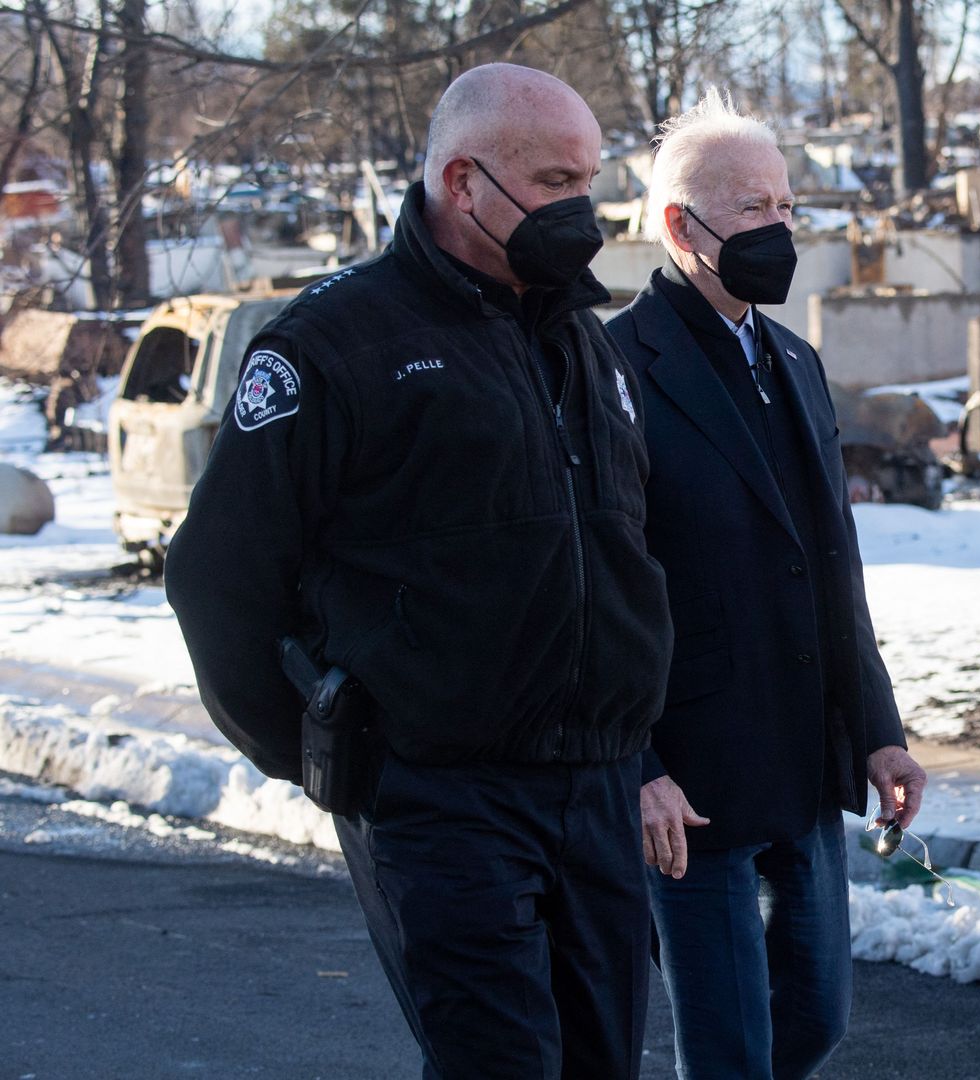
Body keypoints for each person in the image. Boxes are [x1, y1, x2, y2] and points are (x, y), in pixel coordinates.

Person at [165, 64, 672, 1079]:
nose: (583, 206)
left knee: (602, 1062)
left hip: (595, 788)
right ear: (462, 182)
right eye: (555, 179)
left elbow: (621, 553)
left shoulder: (585, 343)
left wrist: (640, 748)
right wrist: (335, 756)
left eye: (589, 178)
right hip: (441, 797)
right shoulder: (335, 343)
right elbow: (218, 577)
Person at [605, 90, 926, 1080]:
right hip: (687, 781)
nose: (780, 229)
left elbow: (834, 560)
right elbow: (603, 588)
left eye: (788, 206)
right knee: (728, 1046)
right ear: (679, 225)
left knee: (817, 1019)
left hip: (800, 755)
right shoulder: (612, 363)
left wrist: (879, 727)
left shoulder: (796, 360)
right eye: (754, 209)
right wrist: (638, 765)